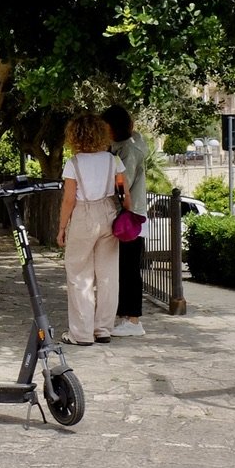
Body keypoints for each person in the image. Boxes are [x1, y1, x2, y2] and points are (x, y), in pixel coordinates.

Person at [57, 113, 130, 346]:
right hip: (109, 213)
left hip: (83, 214)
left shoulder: (74, 163)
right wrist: (127, 214)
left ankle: (82, 333)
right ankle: (103, 329)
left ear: (74, 136)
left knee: (79, 274)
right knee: (108, 275)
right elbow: (124, 192)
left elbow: (69, 200)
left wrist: (61, 227)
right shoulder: (113, 161)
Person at [102, 104, 149, 338]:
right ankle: (126, 316)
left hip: (130, 214)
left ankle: (133, 319)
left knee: (129, 268)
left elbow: (123, 185)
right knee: (123, 266)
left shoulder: (128, 151)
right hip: (130, 213)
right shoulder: (127, 145)